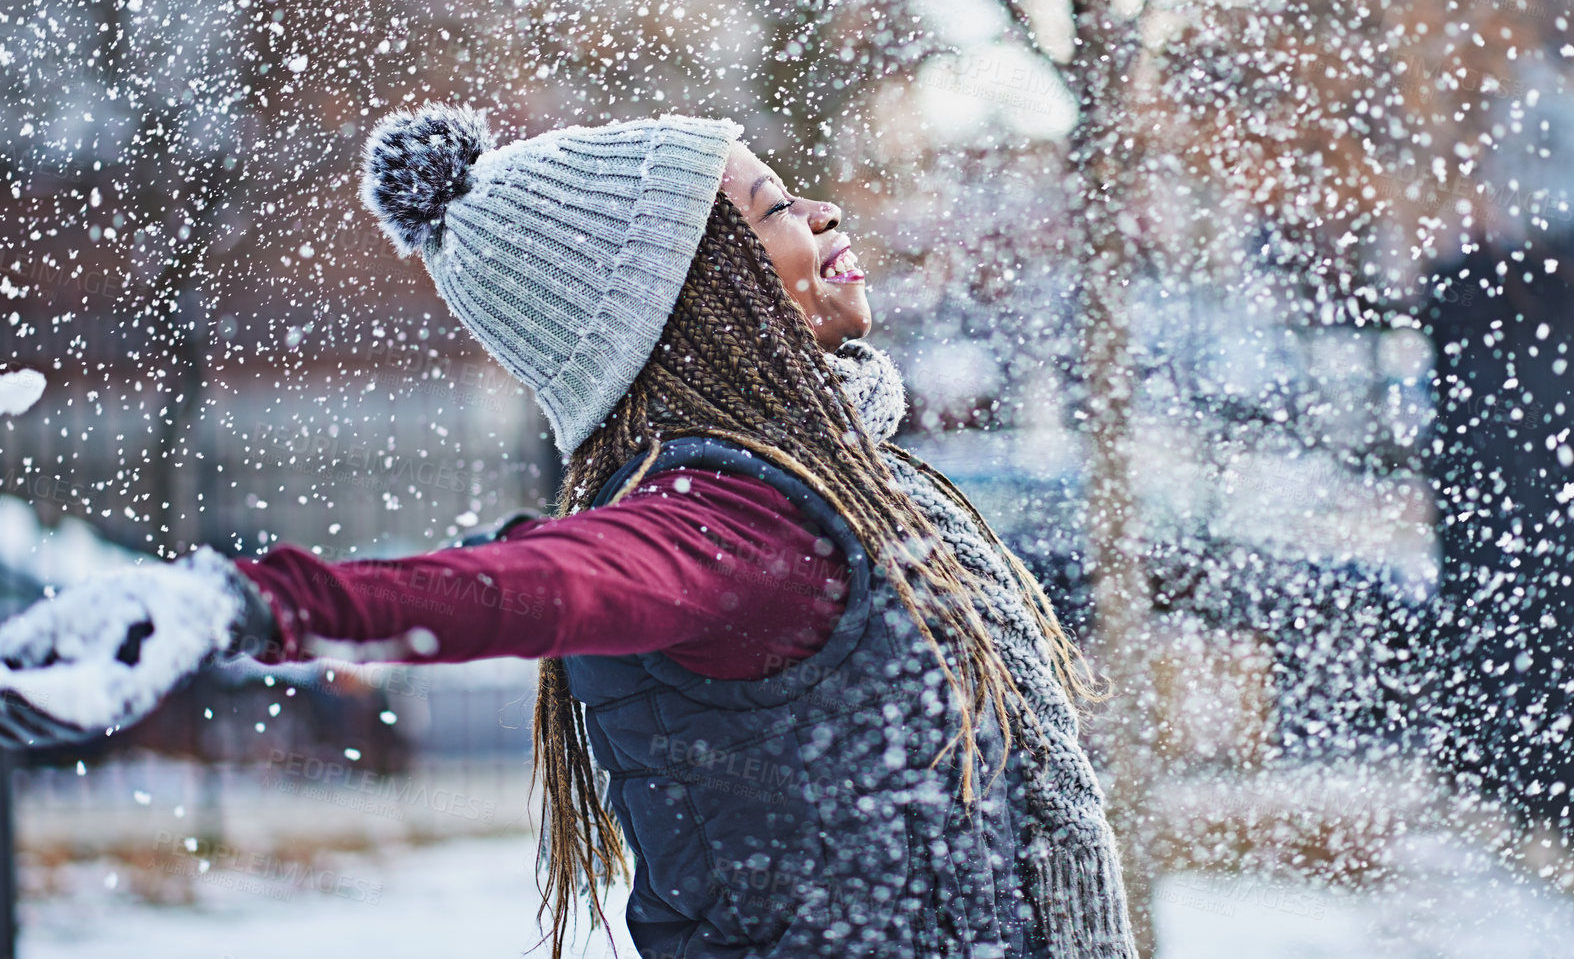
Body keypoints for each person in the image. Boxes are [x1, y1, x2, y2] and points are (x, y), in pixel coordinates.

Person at [0, 107, 1138, 958]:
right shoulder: (736, 520)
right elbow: (525, 582)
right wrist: (251, 603)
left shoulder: (814, 488)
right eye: (776, 208)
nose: (825, 215)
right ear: (698, 289)